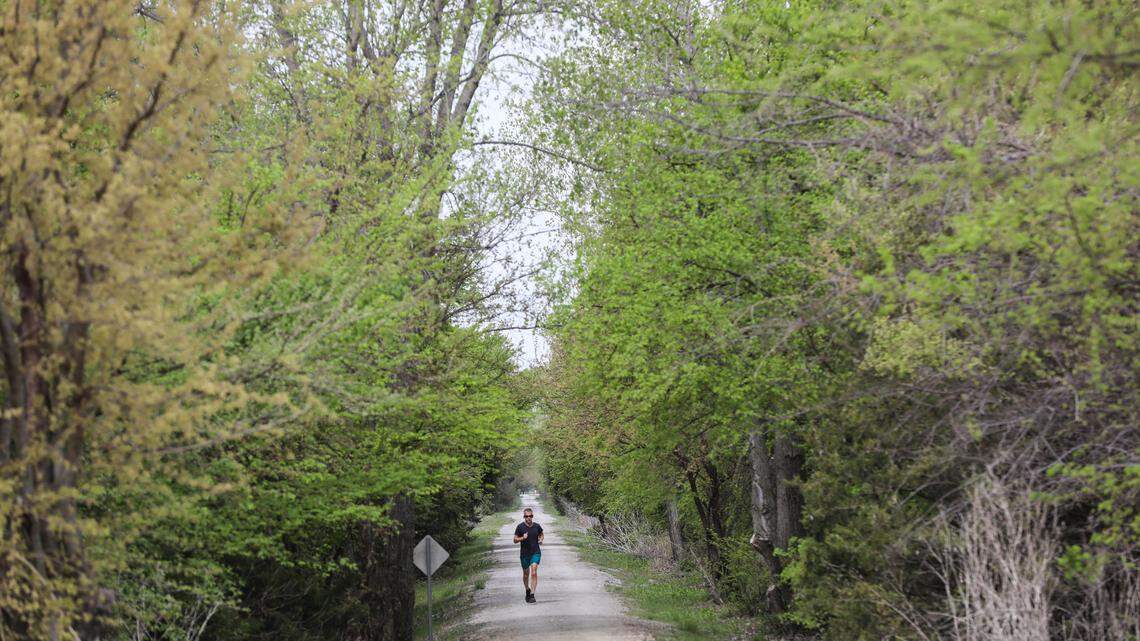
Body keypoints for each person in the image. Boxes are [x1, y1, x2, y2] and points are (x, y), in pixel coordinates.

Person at [513, 507, 544, 603]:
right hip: (524, 554)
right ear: (524, 517)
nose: (528, 518)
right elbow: (515, 540)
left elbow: (541, 534)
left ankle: (532, 595)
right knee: (526, 574)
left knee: (534, 572)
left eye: (530, 516)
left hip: (535, 552)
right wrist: (523, 537)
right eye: (526, 516)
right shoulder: (520, 527)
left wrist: (541, 539)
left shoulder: (537, 526)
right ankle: (527, 589)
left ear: (532, 516)